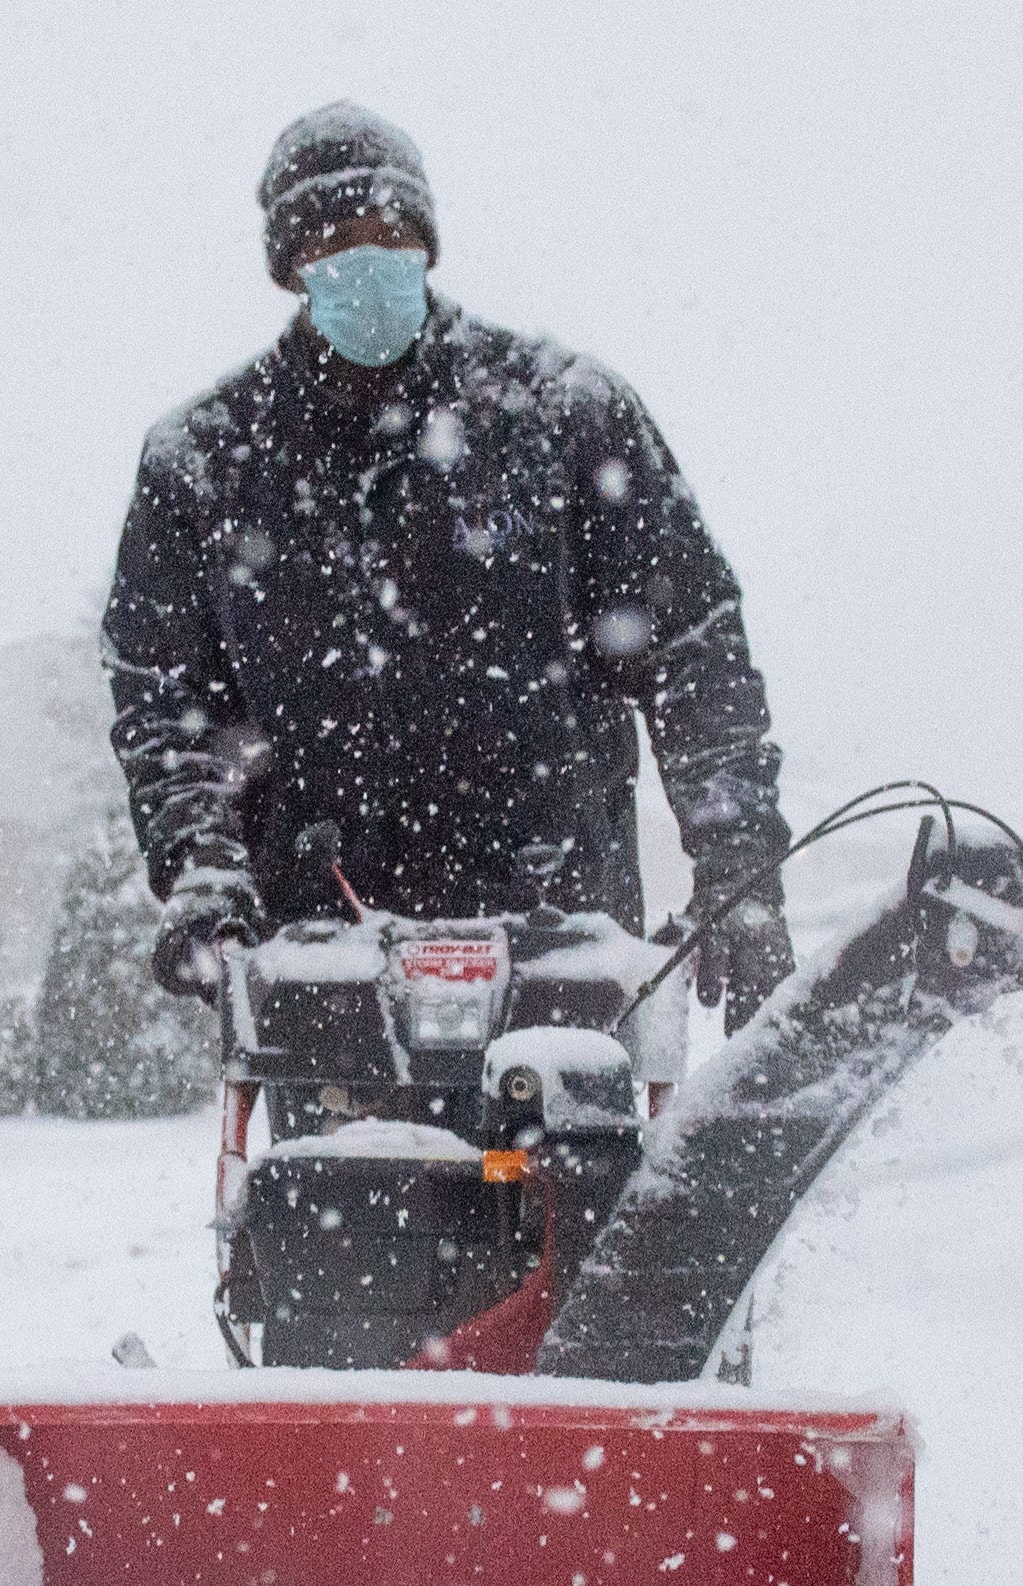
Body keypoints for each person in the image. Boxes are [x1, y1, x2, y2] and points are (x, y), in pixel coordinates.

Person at [104, 101, 795, 1026]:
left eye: (388, 233)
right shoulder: (206, 462)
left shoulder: (560, 416)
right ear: (291, 268)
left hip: (558, 933)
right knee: (335, 1175)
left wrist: (738, 860)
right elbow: (166, 703)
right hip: (323, 957)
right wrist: (203, 868)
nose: (366, 259)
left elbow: (692, 645)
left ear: (425, 244)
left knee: (572, 1176)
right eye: (334, 240)